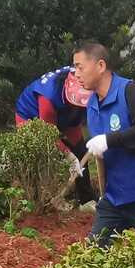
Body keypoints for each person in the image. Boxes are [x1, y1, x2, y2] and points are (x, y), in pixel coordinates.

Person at [71, 40, 135, 244]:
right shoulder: (92, 104)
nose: (76, 74)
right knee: (94, 255)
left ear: (100, 66)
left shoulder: (129, 91)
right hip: (114, 198)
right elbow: (101, 146)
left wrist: (108, 140)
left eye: (80, 67)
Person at [14, 63, 94, 206]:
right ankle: (40, 199)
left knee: (81, 151)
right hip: (32, 116)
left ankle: (86, 199)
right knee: (44, 155)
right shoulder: (48, 97)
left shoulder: (85, 77)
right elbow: (49, 136)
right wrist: (68, 154)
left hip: (66, 115)